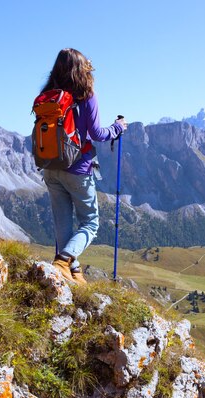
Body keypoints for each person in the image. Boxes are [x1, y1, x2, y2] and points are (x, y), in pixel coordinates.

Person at [41, 48, 127, 284]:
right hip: (77, 168)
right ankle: (63, 261)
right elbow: (97, 133)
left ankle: (74, 273)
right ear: (82, 69)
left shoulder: (48, 94)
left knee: (62, 222)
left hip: (49, 166)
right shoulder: (86, 95)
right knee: (90, 222)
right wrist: (118, 127)